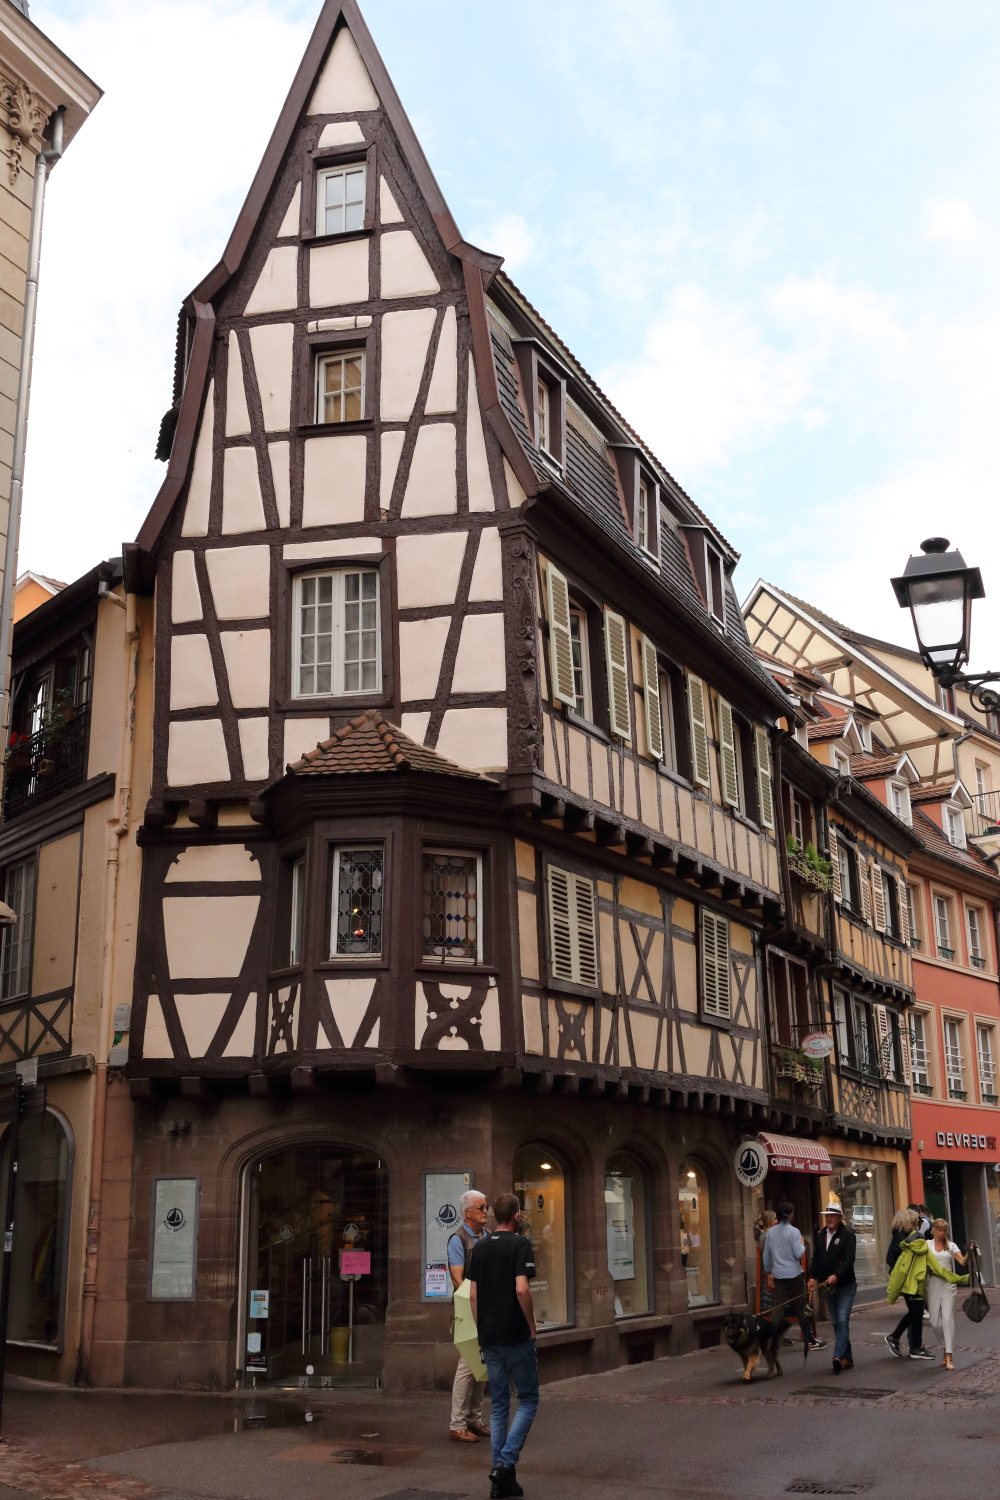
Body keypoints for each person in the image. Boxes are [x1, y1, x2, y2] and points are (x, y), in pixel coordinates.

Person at [467, 1193, 538, 1500]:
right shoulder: (521, 1244)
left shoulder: (480, 1247)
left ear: (495, 1216)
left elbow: (472, 1295)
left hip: (490, 1337)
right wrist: (532, 1324)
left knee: (498, 1405)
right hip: (516, 1336)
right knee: (528, 1399)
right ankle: (505, 1465)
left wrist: (480, 1331)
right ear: (517, 1216)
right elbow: (522, 1289)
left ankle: (500, 1482)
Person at [886, 1215, 970, 1361]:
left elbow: (959, 1262)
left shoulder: (917, 1240)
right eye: (917, 1222)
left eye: (944, 1230)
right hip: (918, 1283)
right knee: (922, 1315)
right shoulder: (918, 1242)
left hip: (928, 1283)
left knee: (927, 1315)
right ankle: (901, 1340)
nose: (920, 1224)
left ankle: (921, 1347)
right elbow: (901, 1264)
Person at [448, 1190, 491, 1443]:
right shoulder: (458, 1239)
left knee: (480, 1363)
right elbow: (457, 1279)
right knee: (467, 1364)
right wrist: (474, 1303)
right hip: (468, 1308)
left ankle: (473, 1420)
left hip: (486, 1307)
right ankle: (457, 1424)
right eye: (481, 1207)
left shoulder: (487, 1236)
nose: (486, 1211)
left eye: (486, 1207)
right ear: (467, 1212)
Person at [761, 1202, 826, 1351]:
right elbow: (798, 1253)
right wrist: (802, 1245)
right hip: (794, 1273)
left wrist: (768, 1272)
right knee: (801, 1307)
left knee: (778, 1306)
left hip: (778, 1274)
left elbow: (766, 1256)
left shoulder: (771, 1232)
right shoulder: (794, 1232)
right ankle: (810, 1340)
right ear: (790, 1214)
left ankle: (770, 1339)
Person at [808, 1198, 857, 1373]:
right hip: (828, 1288)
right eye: (827, 1216)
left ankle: (837, 1356)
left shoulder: (848, 1236)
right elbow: (816, 1258)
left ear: (839, 1217)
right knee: (836, 1323)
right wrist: (812, 1277)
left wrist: (837, 1275)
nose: (829, 1218)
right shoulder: (821, 1235)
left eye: (832, 1216)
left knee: (842, 1321)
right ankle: (848, 1358)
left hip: (845, 1286)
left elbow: (849, 1260)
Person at [925, 1218, 974, 1371]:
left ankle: (949, 1356)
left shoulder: (951, 1246)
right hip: (932, 1284)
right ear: (933, 1230)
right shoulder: (927, 1245)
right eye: (939, 1230)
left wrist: (969, 1251)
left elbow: (963, 1262)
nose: (942, 1233)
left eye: (944, 1230)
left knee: (947, 1318)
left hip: (948, 1284)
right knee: (934, 1322)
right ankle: (945, 1347)